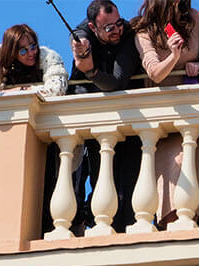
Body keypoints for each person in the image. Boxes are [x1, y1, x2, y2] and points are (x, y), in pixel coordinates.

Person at [68, 1, 145, 233]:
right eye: (109, 28)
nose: (117, 30)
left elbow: (117, 82)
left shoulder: (128, 37)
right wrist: (80, 51)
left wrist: (91, 70)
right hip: (95, 123)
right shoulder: (83, 34)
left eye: (118, 23)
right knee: (92, 177)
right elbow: (78, 36)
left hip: (129, 120)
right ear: (94, 27)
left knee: (128, 182)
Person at [134, 0, 199, 225]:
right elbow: (155, 72)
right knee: (166, 179)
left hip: (192, 112)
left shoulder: (194, 18)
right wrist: (174, 57)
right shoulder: (143, 30)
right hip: (161, 118)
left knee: (192, 172)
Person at [0, 25, 68, 97]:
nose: (31, 53)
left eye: (33, 46)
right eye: (23, 51)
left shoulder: (48, 57)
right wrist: (17, 91)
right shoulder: (1, 68)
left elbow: (56, 90)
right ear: (13, 53)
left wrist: (23, 90)